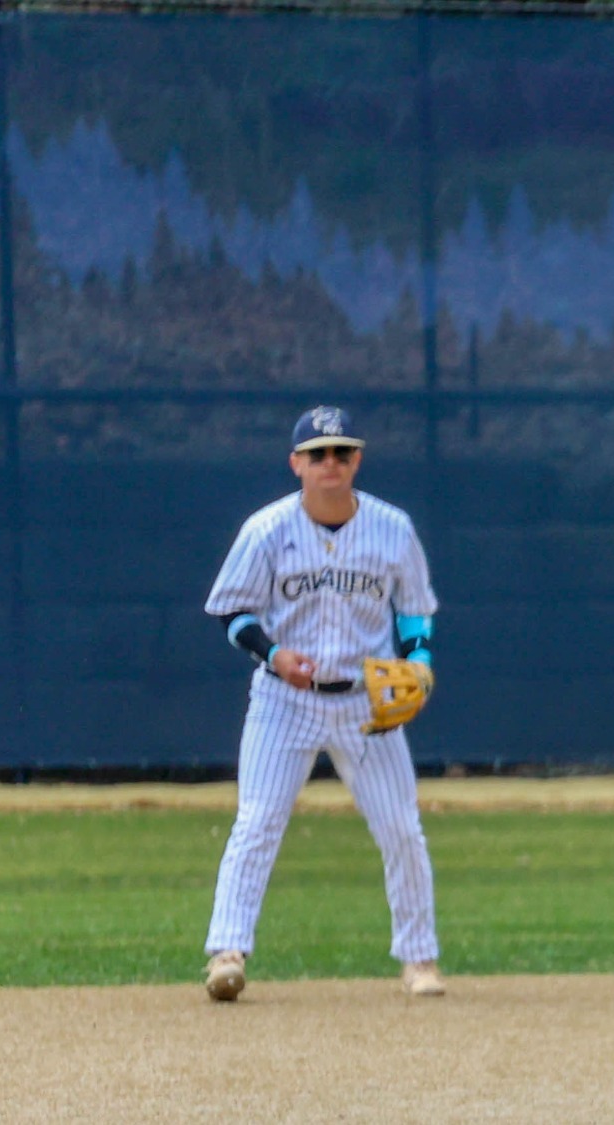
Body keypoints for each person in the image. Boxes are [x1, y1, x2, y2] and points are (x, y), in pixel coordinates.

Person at [199, 405, 445, 1001]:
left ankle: (419, 959)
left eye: (341, 452)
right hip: (284, 700)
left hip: (365, 703)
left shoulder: (393, 528)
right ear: (296, 464)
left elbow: (415, 608)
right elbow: (232, 611)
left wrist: (419, 659)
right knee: (258, 822)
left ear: (357, 460)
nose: (329, 462)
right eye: (317, 454)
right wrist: (273, 653)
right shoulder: (266, 530)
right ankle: (227, 953)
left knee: (401, 829)